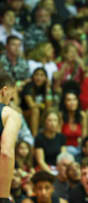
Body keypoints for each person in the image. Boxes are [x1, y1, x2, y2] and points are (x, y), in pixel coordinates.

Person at [0, 72, 21, 203]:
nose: (11, 99)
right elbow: (6, 152)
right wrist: (3, 197)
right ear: (4, 90)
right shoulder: (9, 114)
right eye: (11, 95)